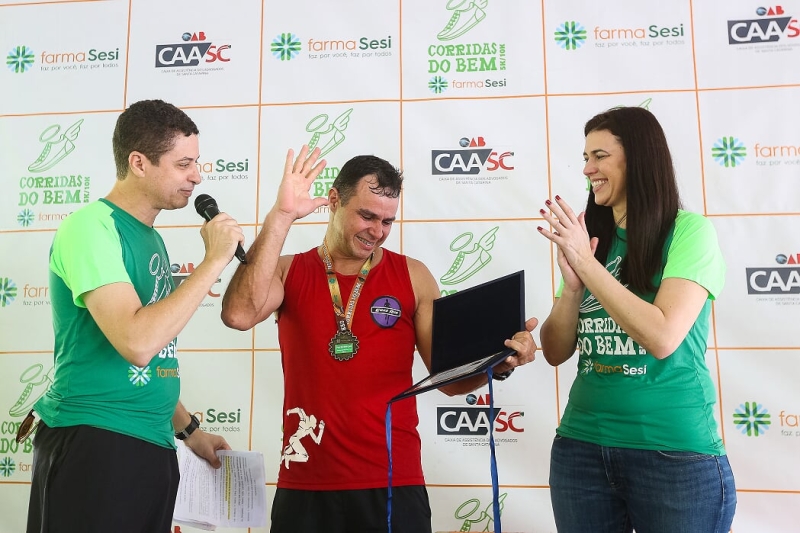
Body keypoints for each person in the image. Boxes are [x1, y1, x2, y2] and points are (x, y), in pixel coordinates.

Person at [221, 146, 539, 533]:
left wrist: (500, 364)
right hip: (307, 479)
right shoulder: (288, 271)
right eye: (367, 215)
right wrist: (281, 216)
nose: (377, 231)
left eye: (387, 221)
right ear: (334, 201)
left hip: (393, 480)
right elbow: (238, 314)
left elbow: (450, 381)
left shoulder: (413, 276)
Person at [24, 99, 245, 533]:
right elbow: (138, 342)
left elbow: (155, 358)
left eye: (196, 163)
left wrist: (189, 430)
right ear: (139, 162)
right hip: (96, 441)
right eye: (184, 164)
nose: (197, 176)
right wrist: (214, 261)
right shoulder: (90, 228)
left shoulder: (151, 240)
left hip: (151, 445)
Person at [537, 106, 736, 532]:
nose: (587, 168)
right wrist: (573, 287)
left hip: (672, 455)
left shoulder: (689, 231)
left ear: (639, 158)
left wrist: (587, 268)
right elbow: (555, 351)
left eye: (600, 156)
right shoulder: (591, 238)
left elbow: (662, 335)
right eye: (586, 157)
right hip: (581, 449)